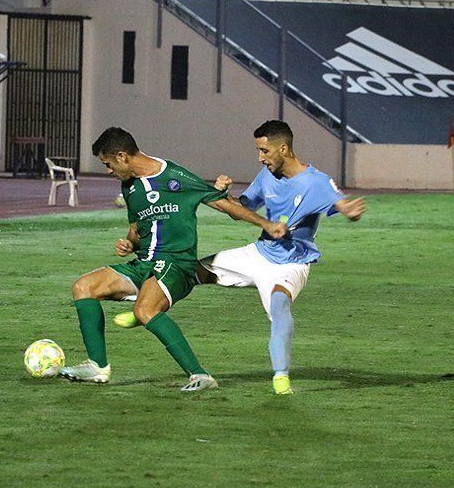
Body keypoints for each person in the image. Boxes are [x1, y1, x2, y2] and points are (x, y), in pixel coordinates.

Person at [58, 127, 288, 392]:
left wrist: (267, 224)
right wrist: (129, 243)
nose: (108, 171)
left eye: (108, 164)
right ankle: (97, 367)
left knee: (145, 311)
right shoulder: (129, 186)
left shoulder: (175, 176)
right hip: (145, 263)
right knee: (84, 287)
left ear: (122, 156)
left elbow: (226, 206)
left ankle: (200, 375)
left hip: (177, 265)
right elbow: (136, 227)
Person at [193, 120, 365, 395]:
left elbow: (340, 202)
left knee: (279, 304)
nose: (260, 157)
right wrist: (224, 194)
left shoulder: (315, 182)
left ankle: (281, 376)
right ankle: (143, 305)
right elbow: (241, 210)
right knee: (192, 271)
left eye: (264, 151)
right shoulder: (266, 176)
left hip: (292, 263)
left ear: (283, 149)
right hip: (258, 253)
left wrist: (349, 210)